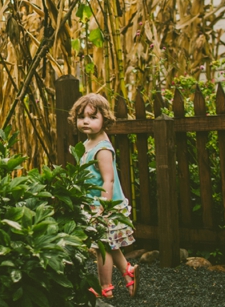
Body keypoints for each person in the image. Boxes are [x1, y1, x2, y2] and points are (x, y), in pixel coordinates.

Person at [69, 93, 140, 299]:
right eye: (81, 117)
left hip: (104, 206)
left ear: (105, 120)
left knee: (102, 248)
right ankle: (128, 273)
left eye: (93, 117)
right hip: (93, 204)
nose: (85, 121)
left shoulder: (102, 148)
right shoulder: (88, 143)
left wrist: (103, 209)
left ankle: (105, 287)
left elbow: (108, 180)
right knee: (110, 244)